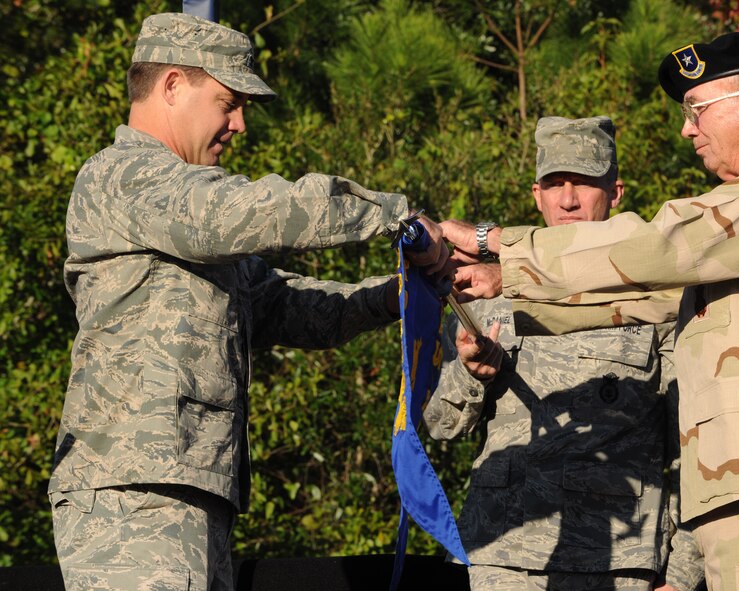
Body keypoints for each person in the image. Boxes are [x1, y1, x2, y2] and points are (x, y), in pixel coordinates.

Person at [440, 27, 739, 591]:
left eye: (698, 109)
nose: (688, 128)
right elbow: (633, 299)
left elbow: (656, 248)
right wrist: (495, 287)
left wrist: (495, 241)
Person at [48, 12, 445, 591]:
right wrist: (395, 218)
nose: (239, 126)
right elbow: (253, 210)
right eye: (228, 103)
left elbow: (283, 304)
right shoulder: (124, 176)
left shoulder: (178, 212)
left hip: (186, 485)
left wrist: (394, 297)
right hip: (132, 492)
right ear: (173, 85)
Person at [425, 116, 703, 591]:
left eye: (584, 184)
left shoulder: (659, 299)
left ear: (615, 193)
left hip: (616, 559)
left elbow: (695, 447)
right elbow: (439, 426)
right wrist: (473, 374)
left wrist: (681, 573)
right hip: (500, 554)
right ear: (536, 194)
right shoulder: (486, 290)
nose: (568, 199)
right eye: (555, 184)